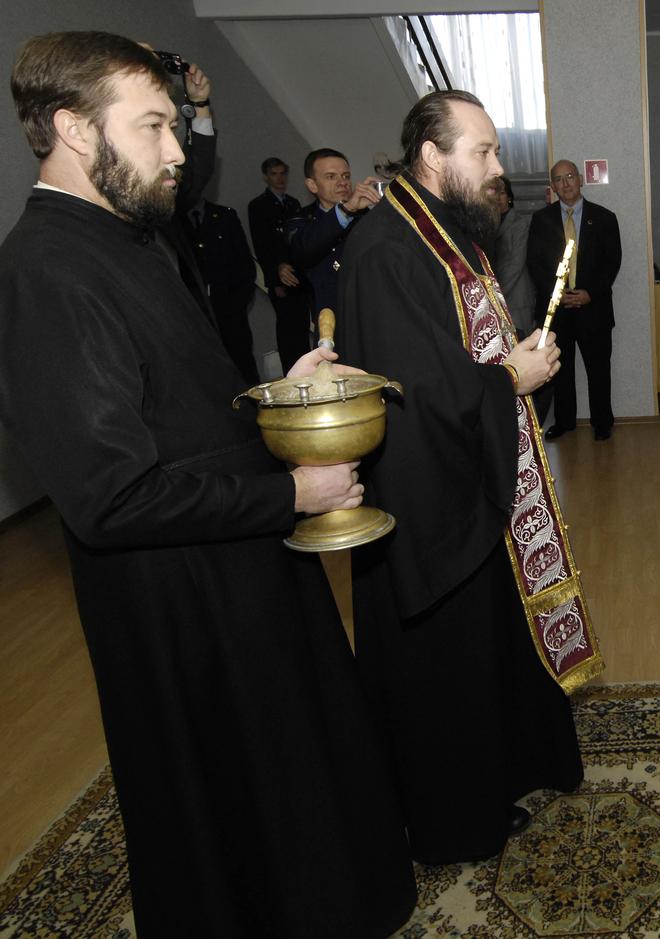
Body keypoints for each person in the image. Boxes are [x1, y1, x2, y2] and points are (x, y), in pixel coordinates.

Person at [0, 31, 415, 937]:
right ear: (73, 128)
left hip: (236, 568)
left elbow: (180, 405)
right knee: (232, 797)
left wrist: (283, 396)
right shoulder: (46, 269)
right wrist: (292, 496)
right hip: (178, 605)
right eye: (153, 125)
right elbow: (110, 498)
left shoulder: (122, 235)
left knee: (289, 769)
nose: (179, 150)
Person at [339, 89, 597, 866]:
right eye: (481, 151)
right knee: (442, 677)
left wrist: (513, 361)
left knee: (487, 655)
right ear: (432, 156)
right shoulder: (389, 247)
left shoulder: (445, 233)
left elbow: (462, 347)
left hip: (472, 487)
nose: (495, 167)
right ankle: (453, 819)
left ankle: (507, 772)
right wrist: (506, 381)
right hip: (429, 511)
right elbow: (415, 386)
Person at [527, 158, 622, 440]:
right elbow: (534, 264)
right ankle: (565, 421)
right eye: (559, 179)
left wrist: (589, 293)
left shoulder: (605, 218)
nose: (565, 183)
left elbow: (612, 262)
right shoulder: (541, 220)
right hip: (558, 310)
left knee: (598, 369)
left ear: (579, 179)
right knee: (559, 370)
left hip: (594, 308)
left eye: (569, 176)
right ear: (553, 186)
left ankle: (602, 421)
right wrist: (559, 296)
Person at [286, 147, 381, 321]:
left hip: (374, 312)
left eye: (345, 176)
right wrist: (346, 210)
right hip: (335, 319)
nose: (342, 182)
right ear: (312, 185)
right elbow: (304, 252)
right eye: (331, 177)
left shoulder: (366, 216)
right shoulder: (301, 220)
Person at [185, 197, 259, 385]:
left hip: (230, 313)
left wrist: (236, 305)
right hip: (196, 317)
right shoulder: (172, 221)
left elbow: (245, 267)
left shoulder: (224, 216)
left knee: (243, 369)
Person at [248, 157, 311, 372]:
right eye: (274, 174)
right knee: (287, 329)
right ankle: (292, 373)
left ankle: (307, 370)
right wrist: (274, 279)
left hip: (298, 274)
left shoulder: (293, 203)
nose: (280, 178)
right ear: (266, 177)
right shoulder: (258, 206)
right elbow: (262, 245)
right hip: (279, 275)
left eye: (283, 173)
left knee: (302, 327)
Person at [491, 176, 536, 335]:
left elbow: (516, 264)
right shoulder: (484, 223)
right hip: (494, 300)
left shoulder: (519, 223)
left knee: (520, 346)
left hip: (515, 298)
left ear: (509, 197)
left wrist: (495, 294)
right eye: (493, 192)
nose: (498, 198)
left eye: (502, 193)